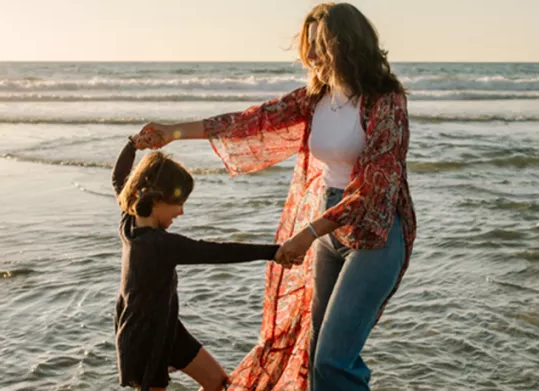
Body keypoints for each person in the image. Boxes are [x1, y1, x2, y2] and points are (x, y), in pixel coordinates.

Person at [131, 3, 416, 389]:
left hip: (377, 235)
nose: (312, 55)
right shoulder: (316, 98)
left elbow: (372, 190)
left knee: (334, 358)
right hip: (328, 227)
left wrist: (308, 234)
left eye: (320, 45)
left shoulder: (387, 102)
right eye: (309, 46)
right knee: (316, 353)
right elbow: (249, 121)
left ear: (346, 45)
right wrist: (172, 132)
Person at [111, 138, 289, 391]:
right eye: (179, 203)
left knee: (217, 382)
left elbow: (120, 178)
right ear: (158, 198)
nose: (181, 212)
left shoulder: (129, 220)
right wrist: (273, 252)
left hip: (167, 327)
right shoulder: (158, 245)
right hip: (143, 338)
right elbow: (217, 252)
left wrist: (132, 145)